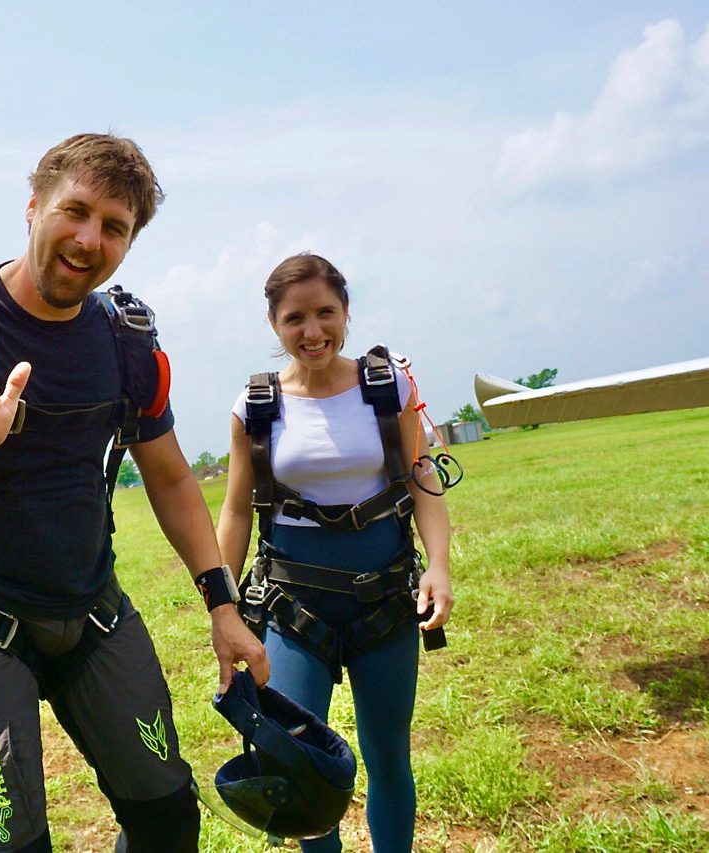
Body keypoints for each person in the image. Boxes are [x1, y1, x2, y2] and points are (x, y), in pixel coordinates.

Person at [0, 133, 267, 853]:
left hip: (91, 612)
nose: (87, 238)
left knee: (167, 814)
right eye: (75, 211)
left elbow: (168, 476)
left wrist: (222, 603)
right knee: (5, 842)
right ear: (34, 204)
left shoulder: (123, 338)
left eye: (114, 227)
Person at [216, 253, 453, 852]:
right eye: (295, 318)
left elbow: (421, 478)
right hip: (296, 609)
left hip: (385, 602)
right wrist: (224, 606)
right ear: (274, 324)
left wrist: (441, 568)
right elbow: (237, 509)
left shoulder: (385, 386)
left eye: (326, 313)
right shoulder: (257, 407)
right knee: (299, 767)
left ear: (347, 312)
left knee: (387, 757)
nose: (313, 331)